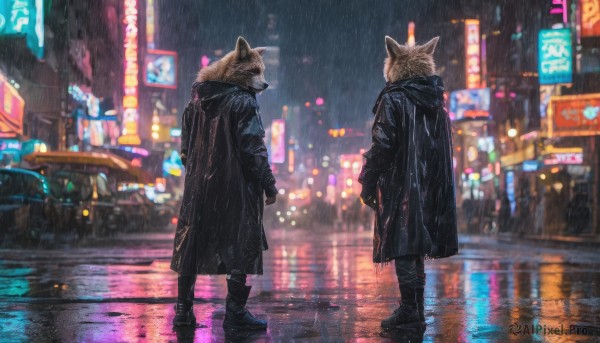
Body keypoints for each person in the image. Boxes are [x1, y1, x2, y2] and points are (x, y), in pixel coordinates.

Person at [170, 37, 277, 330]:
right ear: (237, 67)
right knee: (240, 245)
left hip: (198, 190)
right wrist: (268, 184)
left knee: (190, 245)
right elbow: (253, 148)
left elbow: (185, 150)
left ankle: (183, 312)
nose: (261, 81)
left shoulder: (196, 102)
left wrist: (200, 172)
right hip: (236, 188)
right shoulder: (243, 101)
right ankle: (235, 314)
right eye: (255, 73)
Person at [359, 36, 458, 329]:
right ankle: (414, 309)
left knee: (404, 245)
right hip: (430, 187)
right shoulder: (436, 104)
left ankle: (409, 311)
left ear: (394, 64)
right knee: (415, 246)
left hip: (400, 184)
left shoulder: (393, 98)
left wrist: (368, 180)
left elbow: (382, 145)